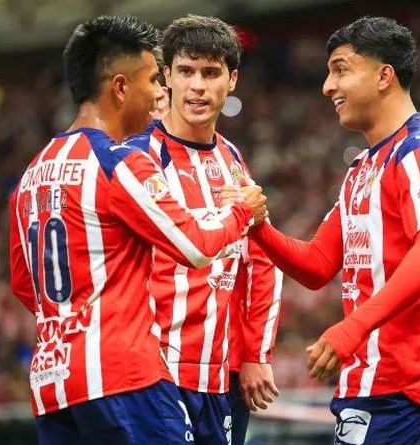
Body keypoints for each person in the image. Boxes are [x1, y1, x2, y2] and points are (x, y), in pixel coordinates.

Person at [8, 15, 267, 444]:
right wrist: (242, 211)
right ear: (120, 87)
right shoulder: (119, 161)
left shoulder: (32, 175)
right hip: (124, 376)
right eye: (152, 81)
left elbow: (25, 284)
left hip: (54, 384)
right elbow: (196, 245)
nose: (158, 95)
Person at [239, 16, 420, 444]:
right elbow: (317, 264)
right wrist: (257, 227)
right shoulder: (363, 169)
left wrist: (352, 328)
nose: (328, 86)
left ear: (384, 76)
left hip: (406, 382)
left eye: (341, 70)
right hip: (369, 379)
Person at [141, 14, 282, 445]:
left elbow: (262, 259)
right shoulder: (140, 156)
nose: (197, 86)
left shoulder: (232, 160)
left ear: (232, 80)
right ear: (167, 77)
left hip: (221, 377)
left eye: (210, 73)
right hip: (154, 374)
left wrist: (255, 354)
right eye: (185, 71)